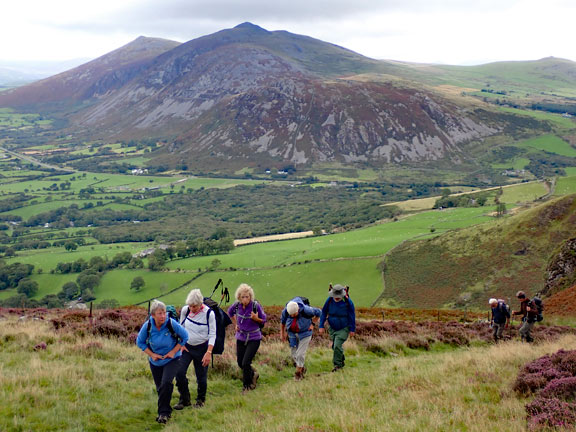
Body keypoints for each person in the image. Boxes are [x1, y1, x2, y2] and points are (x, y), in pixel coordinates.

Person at [136, 300, 188, 424]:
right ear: (153, 315)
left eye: (164, 313)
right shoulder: (148, 326)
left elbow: (185, 336)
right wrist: (152, 355)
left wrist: (173, 351)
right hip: (155, 361)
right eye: (159, 313)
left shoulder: (171, 323)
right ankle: (166, 409)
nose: (163, 316)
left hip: (172, 359)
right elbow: (140, 342)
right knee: (161, 388)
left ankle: (163, 414)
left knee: (166, 383)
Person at [174, 289, 216, 410]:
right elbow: (180, 327)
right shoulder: (185, 310)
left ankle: (200, 400)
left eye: (194, 306)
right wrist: (181, 344)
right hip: (186, 347)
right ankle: (184, 399)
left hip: (203, 348)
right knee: (179, 372)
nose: (192, 308)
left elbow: (213, 334)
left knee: (201, 376)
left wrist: (209, 352)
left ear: (200, 304)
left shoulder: (209, 314)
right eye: (190, 306)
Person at [228, 283, 267, 392]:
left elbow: (263, 321)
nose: (245, 299)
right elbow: (230, 313)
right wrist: (235, 324)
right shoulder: (236, 305)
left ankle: (247, 386)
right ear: (239, 297)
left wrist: (256, 319)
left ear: (250, 296)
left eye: (247, 296)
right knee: (240, 363)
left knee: (246, 363)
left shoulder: (255, 306)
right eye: (243, 297)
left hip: (254, 338)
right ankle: (253, 374)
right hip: (241, 337)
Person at [280, 297, 321, 380]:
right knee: (294, 355)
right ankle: (302, 368)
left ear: (298, 310)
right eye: (290, 315)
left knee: (300, 354)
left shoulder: (306, 310)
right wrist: (282, 333)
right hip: (292, 334)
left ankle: (298, 375)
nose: (291, 316)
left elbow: (319, 312)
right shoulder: (286, 311)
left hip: (305, 333)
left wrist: (312, 324)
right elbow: (282, 322)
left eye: (293, 314)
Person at [319, 284, 355, 372]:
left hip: (344, 328)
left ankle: (337, 366)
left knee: (337, 346)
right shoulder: (329, 300)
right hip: (332, 328)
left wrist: (352, 329)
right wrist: (321, 325)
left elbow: (352, 315)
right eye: (335, 296)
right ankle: (341, 360)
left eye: (338, 296)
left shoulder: (347, 302)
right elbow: (323, 312)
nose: (336, 298)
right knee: (334, 347)